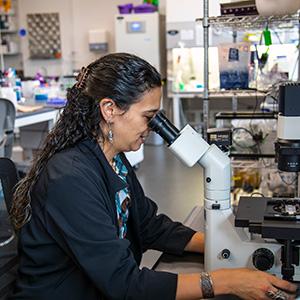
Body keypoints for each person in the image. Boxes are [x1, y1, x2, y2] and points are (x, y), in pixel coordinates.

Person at [10, 53, 296, 300]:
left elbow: (149, 226)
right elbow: (124, 285)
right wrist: (225, 281)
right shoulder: (70, 177)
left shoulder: (112, 159)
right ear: (110, 109)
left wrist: (224, 246)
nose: (152, 128)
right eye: (149, 117)